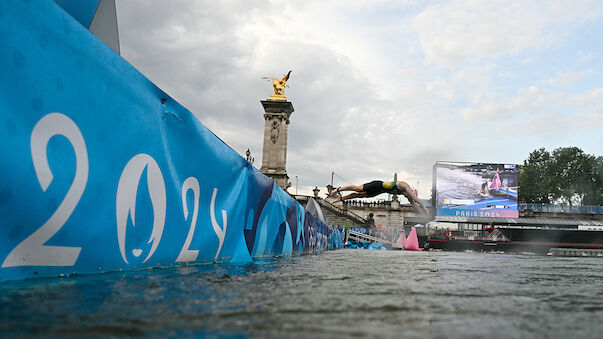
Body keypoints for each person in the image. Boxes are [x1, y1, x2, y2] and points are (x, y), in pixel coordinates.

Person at [328, 179, 431, 221]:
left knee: (359, 196)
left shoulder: (407, 194)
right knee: (357, 189)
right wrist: (425, 207)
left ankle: (340, 198)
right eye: (407, 195)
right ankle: (337, 189)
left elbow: (414, 205)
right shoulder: (404, 185)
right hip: (377, 185)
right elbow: (415, 199)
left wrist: (424, 215)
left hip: (377, 192)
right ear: (410, 191)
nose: (406, 196)